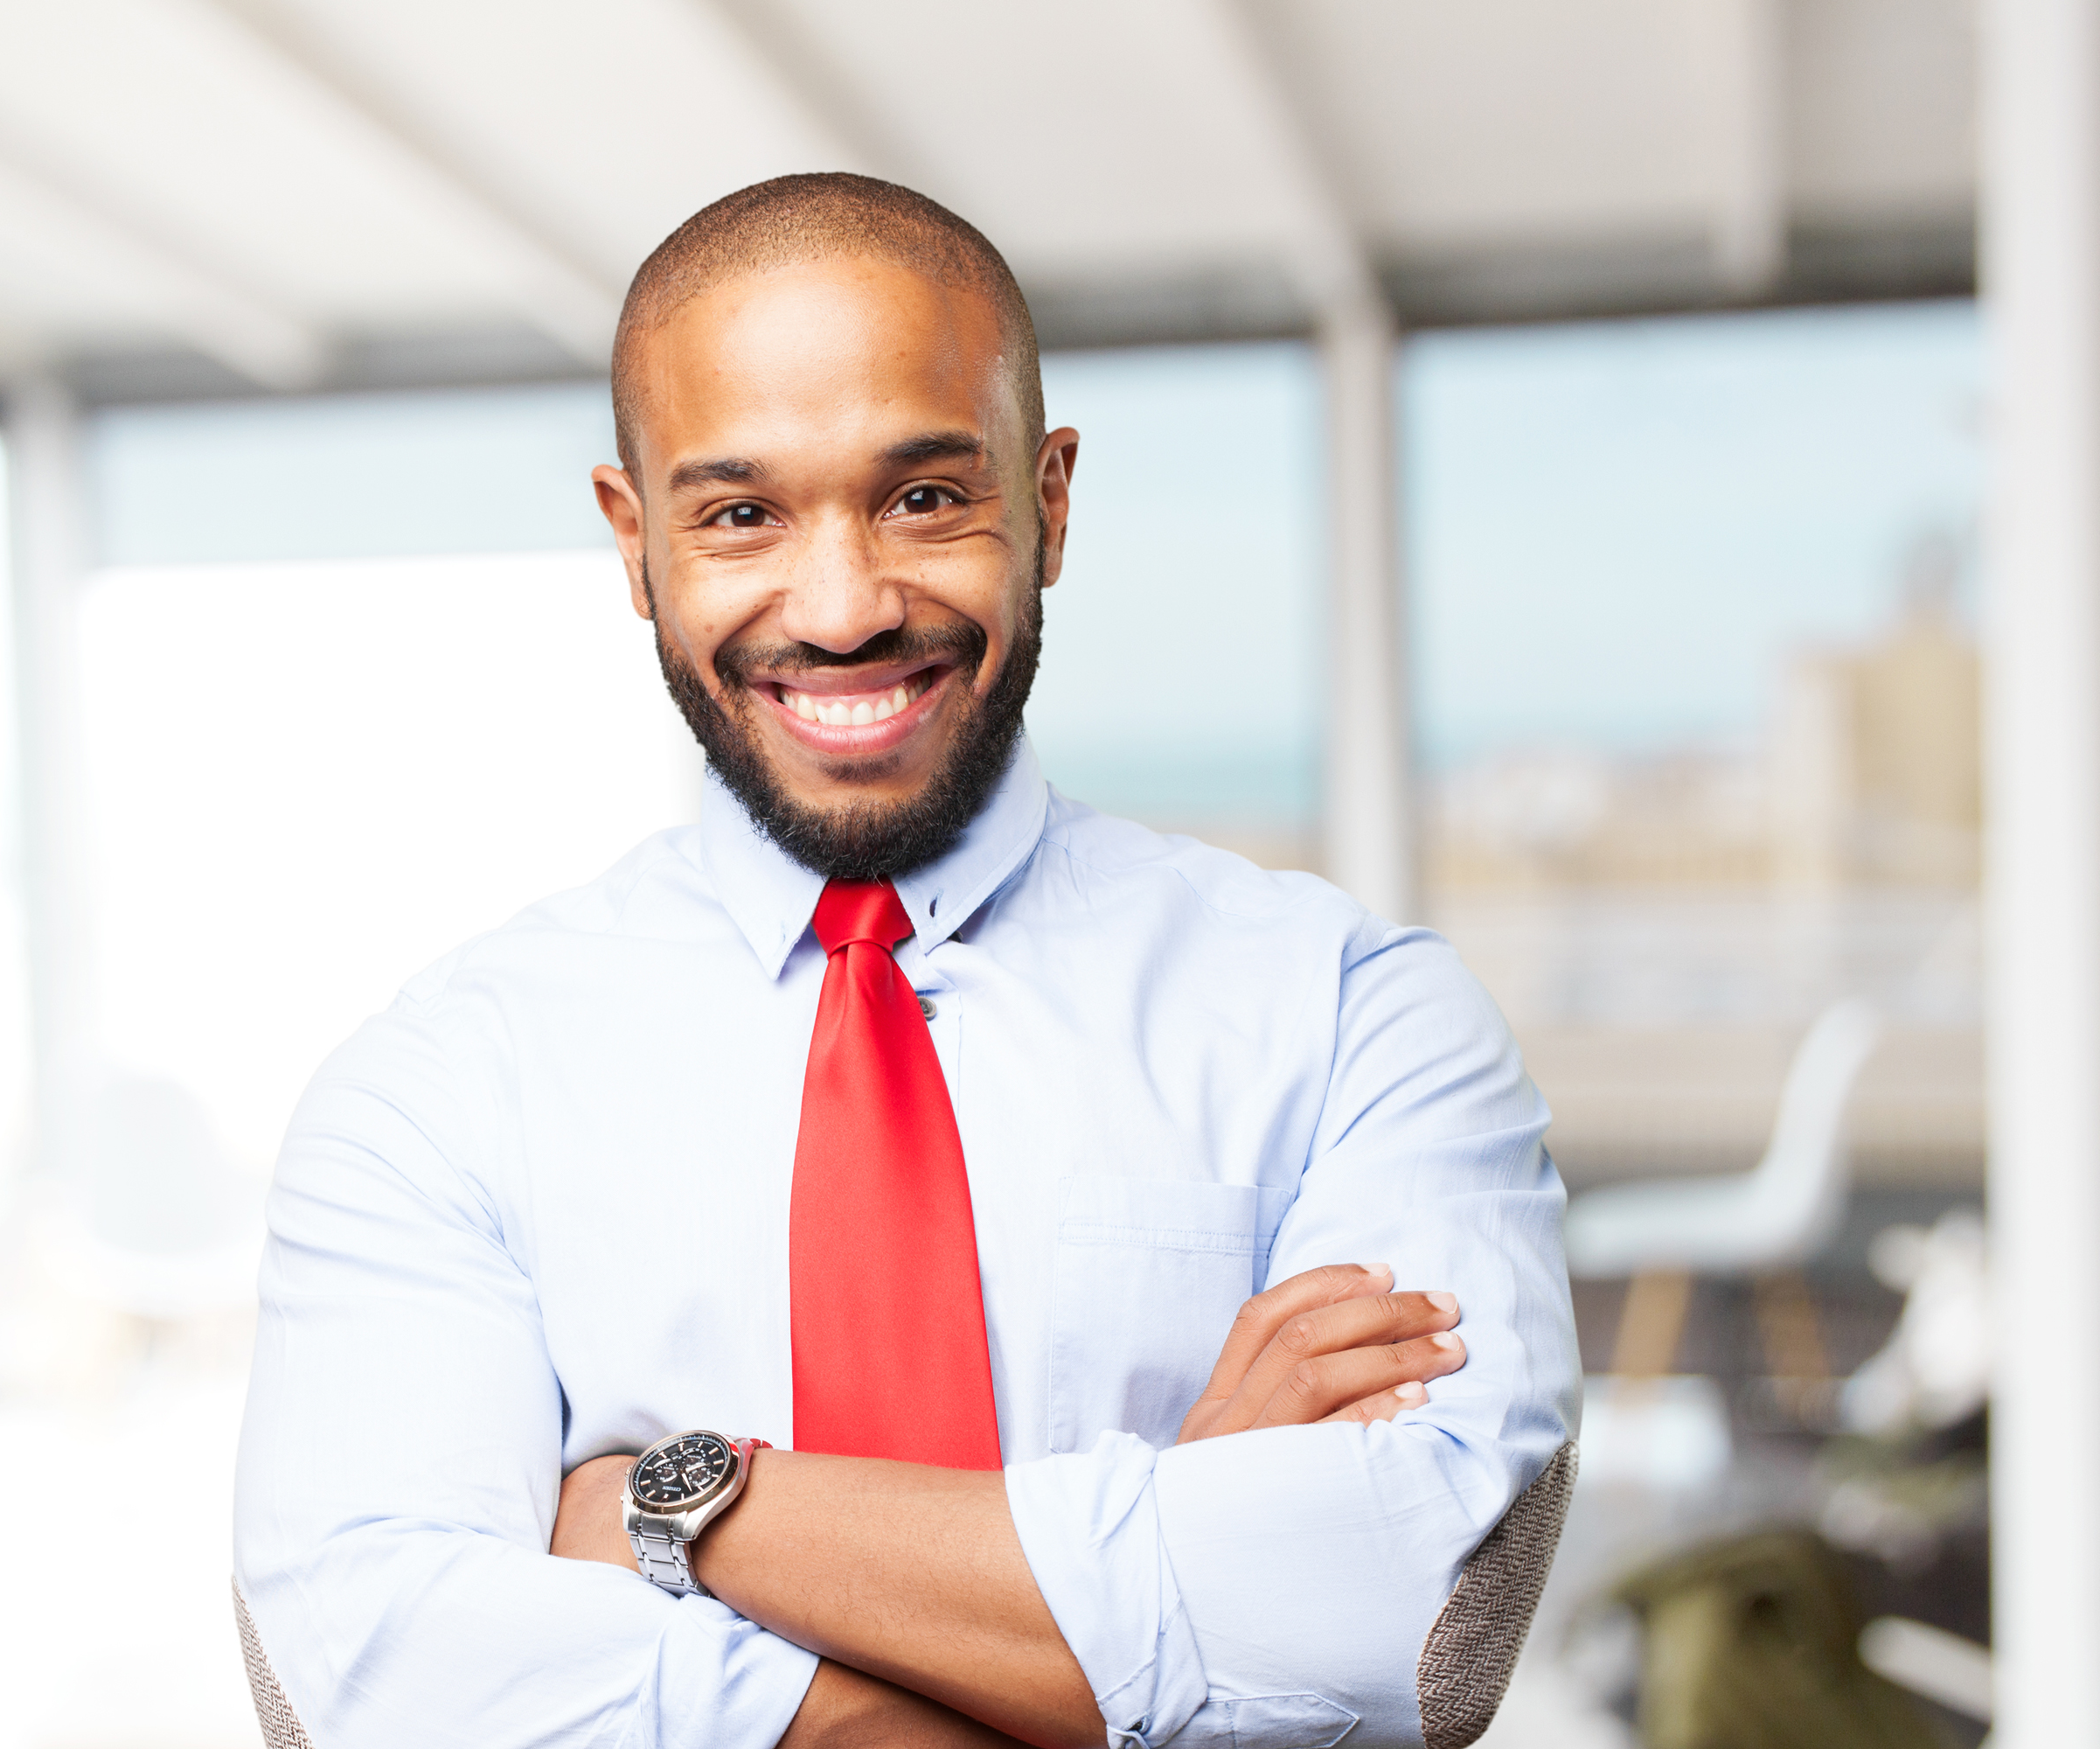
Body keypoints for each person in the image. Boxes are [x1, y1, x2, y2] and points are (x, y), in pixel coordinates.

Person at [233, 173, 1579, 1749]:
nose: (844, 606)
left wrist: (677, 1510)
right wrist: (1175, 1544)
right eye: (741, 514)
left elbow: (1404, 1633)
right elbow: (384, 1677)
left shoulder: (1356, 1016)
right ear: (635, 541)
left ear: (1052, 499)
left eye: (926, 497)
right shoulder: (440, 1088)